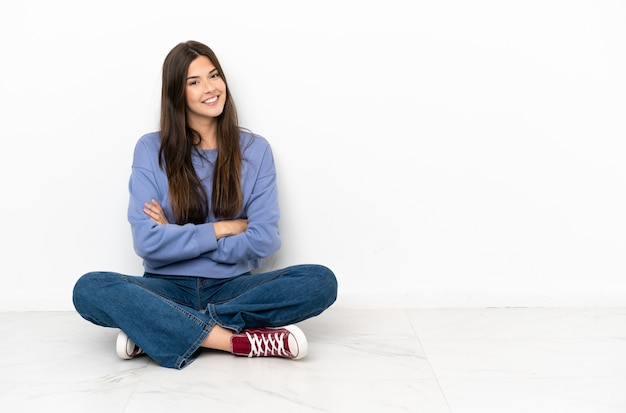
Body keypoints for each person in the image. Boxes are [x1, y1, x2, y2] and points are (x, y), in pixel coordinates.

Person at [72, 40, 338, 370]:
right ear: (176, 94)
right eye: (194, 82)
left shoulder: (255, 151)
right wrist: (225, 228)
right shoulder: (151, 150)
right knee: (90, 288)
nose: (210, 88)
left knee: (319, 281)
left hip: (233, 287)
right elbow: (146, 243)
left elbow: (266, 240)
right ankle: (233, 340)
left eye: (214, 76)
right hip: (166, 287)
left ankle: (159, 328)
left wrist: (176, 236)